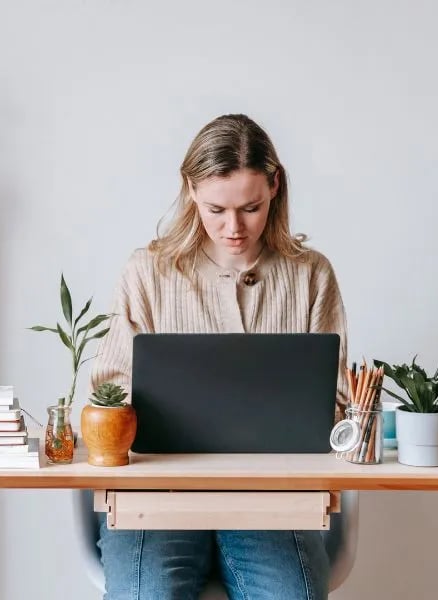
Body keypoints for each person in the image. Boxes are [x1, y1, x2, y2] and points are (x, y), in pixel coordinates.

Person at [89, 113, 349, 600]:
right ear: (190, 189)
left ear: (275, 186)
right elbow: (109, 387)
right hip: (155, 500)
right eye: (216, 209)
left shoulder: (311, 274)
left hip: (272, 503)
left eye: (250, 208)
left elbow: (335, 405)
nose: (234, 228)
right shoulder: (147, 271)